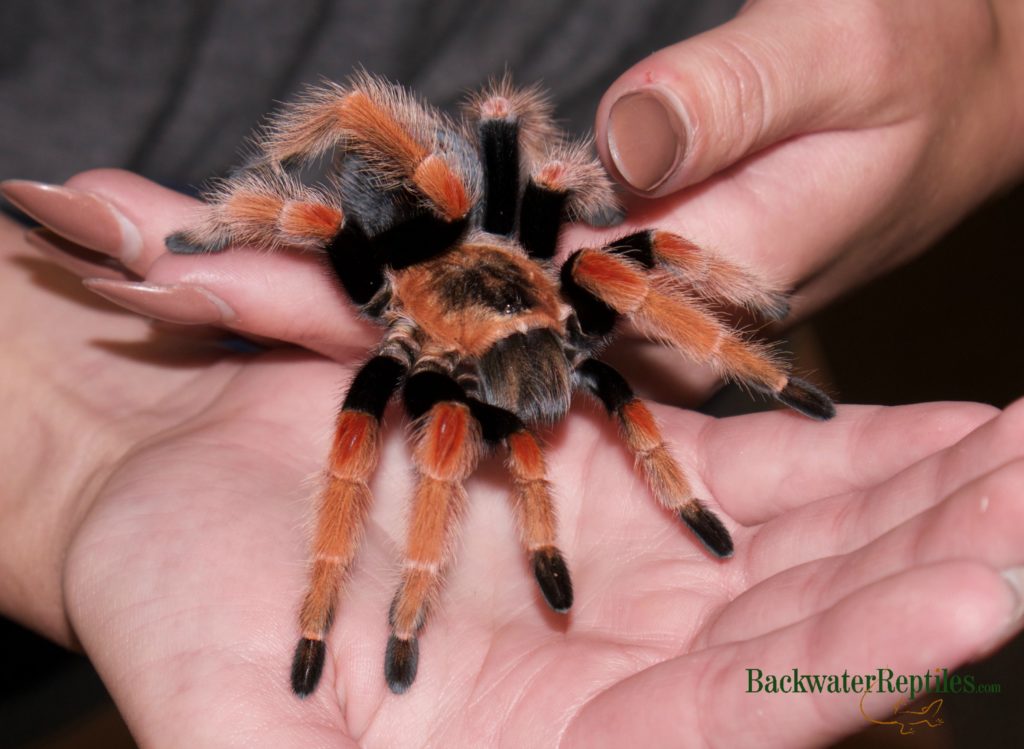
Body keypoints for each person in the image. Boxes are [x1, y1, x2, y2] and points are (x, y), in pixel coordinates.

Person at [1, 0, 1023, 745]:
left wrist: (993, 43)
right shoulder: (400, 311)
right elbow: (329, 183)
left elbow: (594, 204)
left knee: (629, 258)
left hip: (669, 95)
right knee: (344, 223)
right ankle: (405, 597)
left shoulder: (572, 296)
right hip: (421, 263)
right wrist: (75, 434)